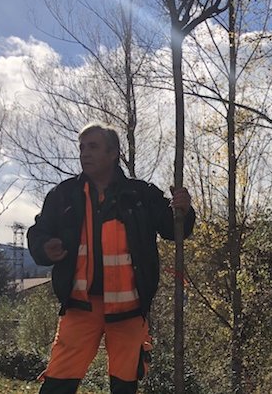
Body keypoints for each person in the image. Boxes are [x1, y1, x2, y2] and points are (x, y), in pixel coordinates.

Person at [28, 123, 196, 394]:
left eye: (92, 147)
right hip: (79, 307)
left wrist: (184, 210)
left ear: (113, 152)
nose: (84, 153)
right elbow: (38, 233)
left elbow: (174, 229)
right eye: (81, 147)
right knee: (57, 384)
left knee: (124, 387)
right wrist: (45, 247)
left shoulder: (141, 194)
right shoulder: (63, 195)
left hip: (129, 310)